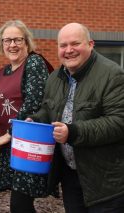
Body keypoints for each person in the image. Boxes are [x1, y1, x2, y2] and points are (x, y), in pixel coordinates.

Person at [28, 23, 124, 213]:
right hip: (70, 175)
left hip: (105, 181)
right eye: (63, 45)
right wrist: (36, 120)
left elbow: (118, 122)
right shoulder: (55, 77)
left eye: (75, 44)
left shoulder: (112, 74)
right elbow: (49, 110)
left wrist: (73, 132)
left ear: (90, 44)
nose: (68, 50)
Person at [0, 20, 54, 213]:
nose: (12, 45)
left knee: (20, 205)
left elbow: (33, 103)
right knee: (21, 205)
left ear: (27, 42)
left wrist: (8, 134)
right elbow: (6, 107)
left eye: (17, 39)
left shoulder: (33, 63)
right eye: (7, 40)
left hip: (28, 143)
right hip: (11, 145)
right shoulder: (3, 72)